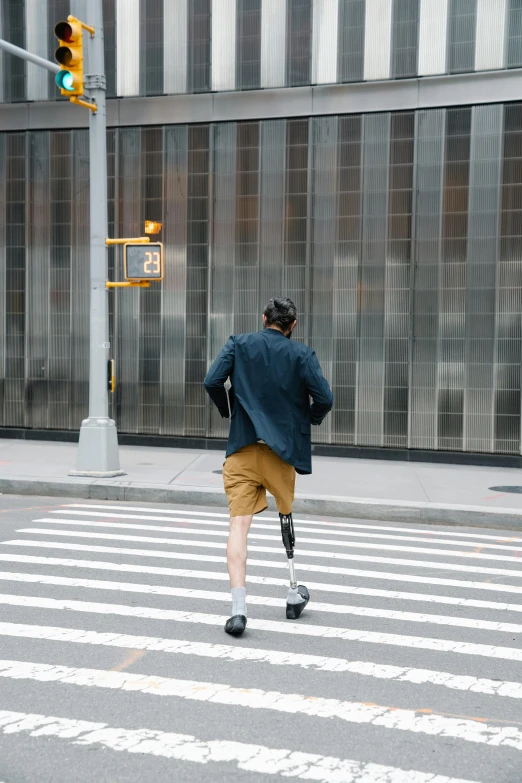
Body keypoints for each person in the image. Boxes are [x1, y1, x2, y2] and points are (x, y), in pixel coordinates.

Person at [204, 296, 334, 637]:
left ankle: (238, 610)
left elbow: (212, 381)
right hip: (282, 452)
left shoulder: (238, 344)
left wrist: (230, 410)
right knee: (285, 514)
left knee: (238, 527)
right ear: (293, 325)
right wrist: (306, 419)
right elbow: (325, 399)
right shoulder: (302, 354)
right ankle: (293, 591)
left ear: (263, 318)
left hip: (243, 449)